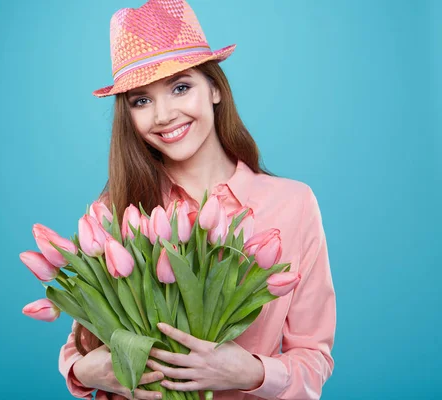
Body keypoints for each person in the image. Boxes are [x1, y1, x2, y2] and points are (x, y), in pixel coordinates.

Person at [58, 0, 336, 399]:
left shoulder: (292, 205)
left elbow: (312, 357)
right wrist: (87, 369)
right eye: (141, 100)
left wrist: (250, 372)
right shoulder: (117, 206)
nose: (163, 115)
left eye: (180, 87)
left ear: (216, 89)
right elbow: (81, 344)